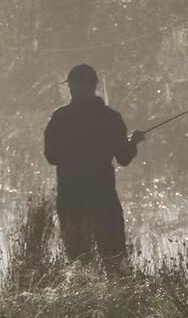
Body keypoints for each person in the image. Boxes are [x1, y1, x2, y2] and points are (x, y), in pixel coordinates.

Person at [44, 64, 145, 267]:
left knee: (78, 262)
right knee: (114, 257)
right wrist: (133, 142)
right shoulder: (111, 118)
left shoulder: (60, 117)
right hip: (103, 197)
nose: (71, 89)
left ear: (81, 86)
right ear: (94, 86)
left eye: (72, 85)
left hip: (70, 196)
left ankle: (81, 296)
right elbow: (123, 158)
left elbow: (51, 157)